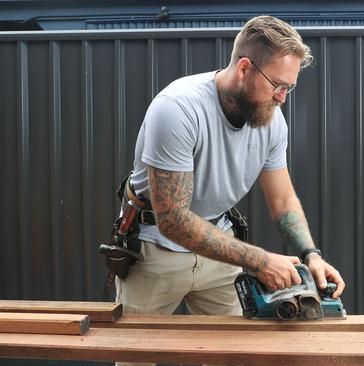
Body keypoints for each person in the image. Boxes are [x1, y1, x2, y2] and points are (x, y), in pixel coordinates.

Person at [115, 15, 345, 366]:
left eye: (290, 88)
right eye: (278, 85)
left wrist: (311, 253)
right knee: (136, 358)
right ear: (244, 68)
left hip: (218, 252)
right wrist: (261, 261)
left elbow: (283, 201)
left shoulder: (271, 119)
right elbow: (173, 220)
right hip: (154, 250)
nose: (283, 98)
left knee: (235, 355)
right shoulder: (178, 108)